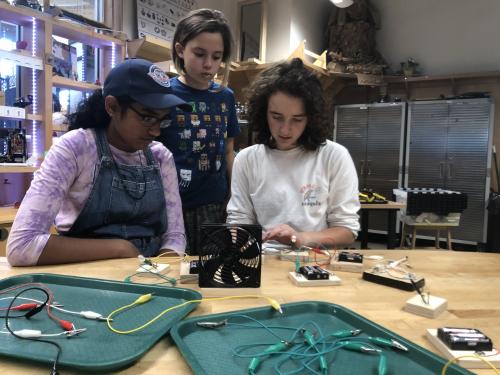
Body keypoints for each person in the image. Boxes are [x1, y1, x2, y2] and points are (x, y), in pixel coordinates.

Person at [7, 58, 192, 266]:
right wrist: (121, 249)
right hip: (85, 278)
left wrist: (162, 274)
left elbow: (174, 237)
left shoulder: (160, 157)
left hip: (146, 278)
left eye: (162, 120)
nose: (156, 131)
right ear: (112, 106)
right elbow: (21, 246)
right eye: (147, 118)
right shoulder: (76, 149)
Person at [226, 58, 360, 248]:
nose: (285, 130)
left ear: (311, 118)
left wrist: (300, 238)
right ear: (263, 113)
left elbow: (346, 231)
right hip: (263, 260)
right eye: (276, 117)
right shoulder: (247, 159)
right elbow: (239, 220)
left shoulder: (334, 156)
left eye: (297, 119)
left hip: (315, 260)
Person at [157, 9, 239, 254]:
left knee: (211, 274)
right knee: (172, 272)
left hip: (214, 205)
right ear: (181, 50)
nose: (209, 64)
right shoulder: (163, 94)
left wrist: (234, 196)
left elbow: (229, 151)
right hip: (170, 204)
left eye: (217, 56)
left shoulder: (226, 97)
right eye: (200, 54)